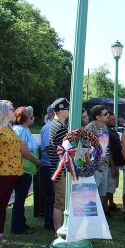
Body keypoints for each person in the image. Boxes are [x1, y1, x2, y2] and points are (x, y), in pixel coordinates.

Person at [0, 100, 22, 247]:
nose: (14, 110)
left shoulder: (9, 128)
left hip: (11, 173)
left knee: (2, 205)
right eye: (12, 108)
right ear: (3, 111)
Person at [11, 106, 41, 234]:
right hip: (23, 169)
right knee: (20, 198)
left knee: (21, 198)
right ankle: (18, 227)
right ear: (27, 119)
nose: (33, 118)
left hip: (26, 169)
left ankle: (20, 224)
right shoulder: (20, 130)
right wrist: (36, 161)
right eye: (32, 116)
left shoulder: (24, 129)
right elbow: (23, 151)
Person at [85, 105, 114, 216]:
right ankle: (91, 216)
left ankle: (99, 216)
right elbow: (85, 148)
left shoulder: (105, 127)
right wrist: (90, 165)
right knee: (93, 192)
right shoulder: (89, 128)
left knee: (102, 192)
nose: (108, 115)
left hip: (104, 165)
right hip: (94, 166)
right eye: (105, 114)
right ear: (97, 117)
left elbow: (106, 146)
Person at [48, 98, 70, 233]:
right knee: (60, 202)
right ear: (61, 111)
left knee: (61, 202)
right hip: (60, 171)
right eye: (67, 109)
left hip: (59, 169)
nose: (69, 111)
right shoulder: (60, 128)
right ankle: (58, 232)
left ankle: (61, 229)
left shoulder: (56, 124)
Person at [40, 105, 55, 230]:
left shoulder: (53, 126)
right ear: (51, 114)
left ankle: (51, 220)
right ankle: (49, 222)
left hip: (53, 165)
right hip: (49, 166)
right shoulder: (48, 128)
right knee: (51, 195)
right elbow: (46, 147)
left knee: (53, 195)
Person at [105, 111, 123, 212]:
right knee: (108, 187)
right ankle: (105, 207)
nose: (114, 121)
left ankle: (111, 204)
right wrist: (112, 167)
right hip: (110, 165)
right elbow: (108, 150)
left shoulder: (113, 131)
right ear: (106, 120)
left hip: (116, 163)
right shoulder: (107, 132)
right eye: (112, 120)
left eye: (114, 119)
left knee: (112, 187)